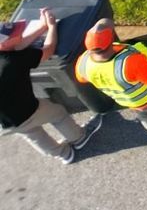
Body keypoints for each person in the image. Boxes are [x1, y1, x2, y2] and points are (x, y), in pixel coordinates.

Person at [0, 10, 98, 165]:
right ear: (5, 43)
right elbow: (48, 50)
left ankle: (64, 154)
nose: (19, 34)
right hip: (25, 111)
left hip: (3, 123)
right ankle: (79, 138)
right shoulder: (14, 61)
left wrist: (42, 26)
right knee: (57, 113)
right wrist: (51, 27)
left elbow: (16, 44)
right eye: (16, 34)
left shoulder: (8, 52)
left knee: (32, 134)